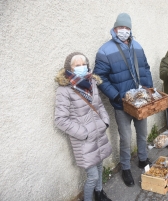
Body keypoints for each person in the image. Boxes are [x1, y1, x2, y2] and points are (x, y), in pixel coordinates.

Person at [93, 13, 153, 187]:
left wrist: (148, 89)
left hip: (141, 102)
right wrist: (116, 95)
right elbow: (99, 77)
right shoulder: (105, 50)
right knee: (125, 138)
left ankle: (143, 159)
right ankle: (126, 168)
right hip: (122, 104)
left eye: (127, 28)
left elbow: (146, 68)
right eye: (121, 28)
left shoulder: (138, 46)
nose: (124, 31)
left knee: (142, 134)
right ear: (114, 29)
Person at [54, 52, 112, 201]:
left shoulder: (91, 83)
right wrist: (84, 133)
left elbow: (99, 105)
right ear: (70, 69)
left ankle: (99, 193)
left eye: (83, 64)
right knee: (92, 176)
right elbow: (60, 119)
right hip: (84, 139)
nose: (81, 67)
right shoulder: (65, 90)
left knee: (100, 166)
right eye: (77, 65)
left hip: (98, 133)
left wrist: (105, 121)